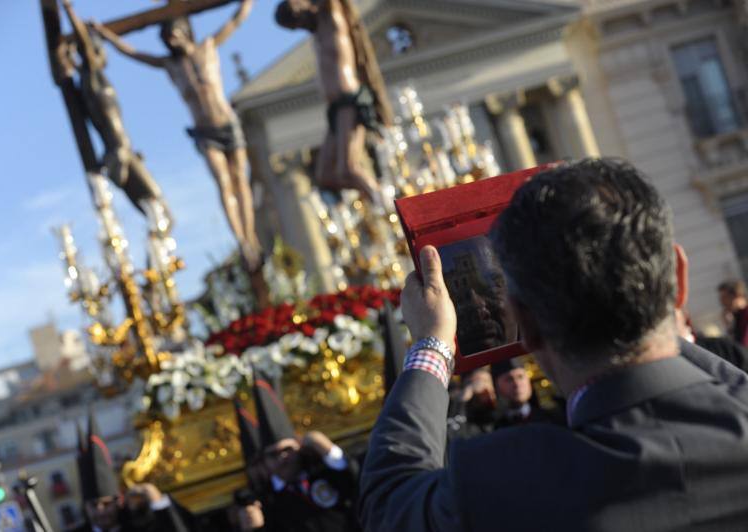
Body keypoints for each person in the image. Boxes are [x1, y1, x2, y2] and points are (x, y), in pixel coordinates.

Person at [359, 158, 748, 530]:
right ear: (678, 278)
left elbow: (392, 503)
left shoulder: (503, 484)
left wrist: (432, 343)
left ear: (525, 322)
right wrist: (655, 309)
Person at [93, 2, 263, 277]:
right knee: (223, 182)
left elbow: (236, 20)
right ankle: (241, 240)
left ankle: (251, 235)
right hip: (205, 132)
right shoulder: (170, 65)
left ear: (184, 31)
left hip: (227, 124)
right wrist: (106, 35)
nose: (171, 40)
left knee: (240, 181)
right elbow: (134, 53)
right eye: (167, 38)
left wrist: (247, 3)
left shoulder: (208, 48)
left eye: (173, 34)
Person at [61, 0, 172, 223]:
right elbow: (84, 42)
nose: (104, 55)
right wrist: (69, 9)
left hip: (119, 153)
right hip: (121, 152)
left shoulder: (87, 82)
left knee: (152, 213)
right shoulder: (91, 78)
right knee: (160, 209)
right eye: (100, 48)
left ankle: (160, 253)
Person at [275, 0, 394, 201]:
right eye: (293, 26)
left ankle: (386, 203)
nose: (299, 25)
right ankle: (373, 194)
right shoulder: (317, 35)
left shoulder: (331, 19)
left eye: (298, 17)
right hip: (336, 109)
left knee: (348, 167)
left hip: (349, 101)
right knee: (326, 175)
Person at [249, 370, 362, 531]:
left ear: (298, 446)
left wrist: (325, 447)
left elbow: (355, 480)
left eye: (287, 449)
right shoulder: (267, 500)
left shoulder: (321, 471)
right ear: (264, 462)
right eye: (272, 455)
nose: (282, 457)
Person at [71, 414, 194, 532]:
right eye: (94, 505)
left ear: (119, 501)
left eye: (106, 504)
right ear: (85, 507)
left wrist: (157, 500)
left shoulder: (141, 527)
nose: (100, 511)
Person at [490, 358, 562, 429]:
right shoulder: (496, 429)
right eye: (509, 379)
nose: (516, 384)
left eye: (520, 377)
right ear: (497, 387)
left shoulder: (553, 419)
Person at [718, 280, 748, 346]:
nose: (722, 302)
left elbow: (742, 345)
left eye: (725, 297)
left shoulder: (745, 315)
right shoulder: (736, 316)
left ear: (737, 296)